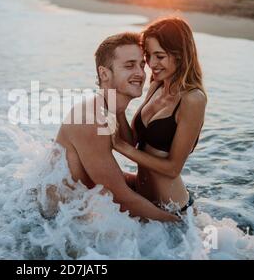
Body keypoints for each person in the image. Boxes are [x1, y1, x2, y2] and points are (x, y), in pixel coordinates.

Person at [55, 32, 179, 222]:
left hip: (70, 218)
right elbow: (121, 200)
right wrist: (184, 226)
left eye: (141, 65)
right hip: (47, 226)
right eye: (129, 66)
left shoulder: (109, 108)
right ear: (104, 73)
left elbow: (104, 175)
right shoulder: (91, 119)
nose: (140, 73)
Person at [112, 17, 207, 214]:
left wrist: (119, 147)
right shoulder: (156, 85)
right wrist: (119, 109)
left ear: (180, 55)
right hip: (143, 197)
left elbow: (173, 168)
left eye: (160, 56)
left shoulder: (193, 99)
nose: (151, 64)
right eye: (148, 55)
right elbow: (133, 142)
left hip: (173, 212)